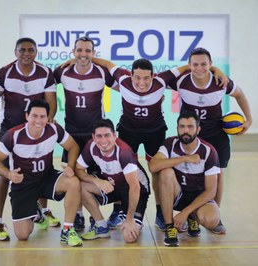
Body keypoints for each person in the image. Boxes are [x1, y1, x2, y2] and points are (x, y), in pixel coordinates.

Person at [90, 57, 228, 231]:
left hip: (154, 132)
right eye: (137, 77)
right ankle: (119, 210)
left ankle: (160, 212)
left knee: (158, 170)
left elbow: (191, 67)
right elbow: (107, 64)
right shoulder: (122, 79)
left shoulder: (161, 80)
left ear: (153, 76)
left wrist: (215, 70)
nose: (142, 82)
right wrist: (76, 59)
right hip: (128, 130)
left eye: (146, 78)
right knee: (121, 170)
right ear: (130, 75)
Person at [170, 47, 253, 234]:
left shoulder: (220, 82)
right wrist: (198, 68)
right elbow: (158, 81)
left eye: (204, 64)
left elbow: (240, 94)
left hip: (216, 135)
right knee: (184, 172)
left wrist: (249, 119)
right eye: (195, 64)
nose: (199, 68)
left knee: (218, 175)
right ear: (189, 65)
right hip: (191, 137)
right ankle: (187, 214)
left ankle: (215, 214)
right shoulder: (181, 81)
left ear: (211, 65)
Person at [0, 37, 59, 241]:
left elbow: (51, 102)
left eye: (31, 50)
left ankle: (42, 211)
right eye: (22, 50)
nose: (26, 53)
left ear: (36, 52)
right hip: (10, 130)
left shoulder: (44, 72)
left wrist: (47, 122)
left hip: (37, 130)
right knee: (3, 174)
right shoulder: (4, 73)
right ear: (15, 52)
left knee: (43, 169)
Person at [0, 99, 83, 247]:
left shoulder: (54, 130)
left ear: (47, 117)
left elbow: (73, 146)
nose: (38, 120)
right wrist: (8, 174)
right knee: (22, 235)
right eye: (34, 116)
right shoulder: (13, 135)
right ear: (27, 116)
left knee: (73, 182)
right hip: (23, 185)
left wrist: (70, 166)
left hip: (46, 178)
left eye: (42, 116)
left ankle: (67, 229)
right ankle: (36, 214)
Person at [54, 36, 119, 230]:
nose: (83, 54)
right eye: (80, 50)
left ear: (94, 53)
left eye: (88, 51)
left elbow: (124, 88)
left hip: (95, 136)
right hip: (72, 134)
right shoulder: (63, 71)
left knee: (95, 175)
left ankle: (94, 216)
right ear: (73, 52)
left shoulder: (101, 72)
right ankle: (79, 215)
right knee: (72, 175)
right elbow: (44, 90)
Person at [149, 111, 221, 246]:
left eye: (190, 127)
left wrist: (185, 212)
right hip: (178, 196)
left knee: (211, 220)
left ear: (198, 129)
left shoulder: (209, 152)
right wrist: (185, 158)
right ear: (177, 129)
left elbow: (211, 191)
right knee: (165, 172)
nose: (185, 131)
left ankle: (192, 216)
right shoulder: (170, 143)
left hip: (198, 199)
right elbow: (153, 166)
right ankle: (170, 227)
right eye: (181, 127)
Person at [75, 119, 150, 243]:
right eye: (99, 136)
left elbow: (135, 187)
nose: (103, 140)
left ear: (114, 136)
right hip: (113, 185)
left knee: (129, 237)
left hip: (136, 191)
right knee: (80, 186)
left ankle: (126, 215)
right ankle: (101, 226)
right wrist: (96, 181)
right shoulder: (91, 146)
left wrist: (130, 220)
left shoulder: (124, 153)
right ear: (93, 137)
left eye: (107, 135)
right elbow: (79, 169)